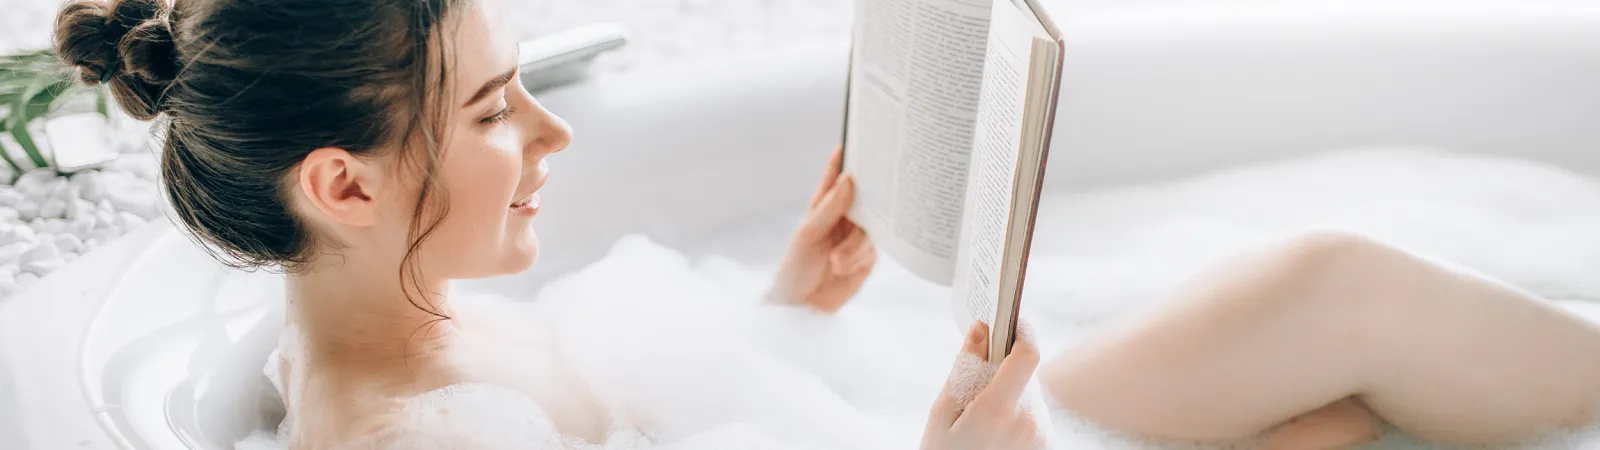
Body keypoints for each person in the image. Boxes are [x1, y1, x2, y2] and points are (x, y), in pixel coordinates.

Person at [53, 0, 1600, 448]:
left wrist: (782, 307)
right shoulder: (410, 442)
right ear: (343, 183)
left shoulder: (422, 338)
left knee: (1329, 361)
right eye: (491, 109)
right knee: (1326, 374)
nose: (552, 134)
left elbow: (637, 415)